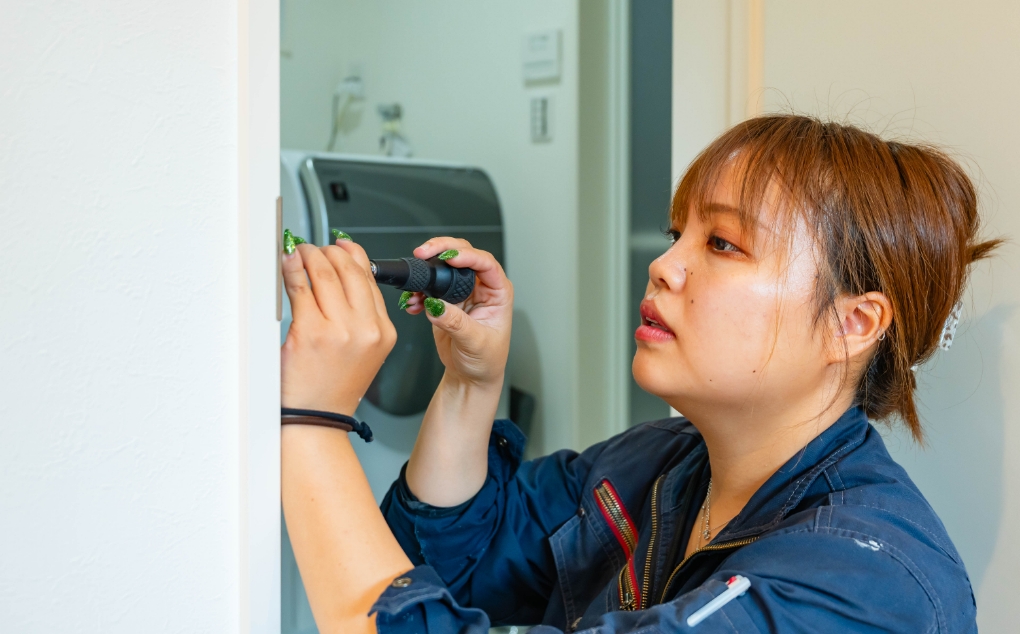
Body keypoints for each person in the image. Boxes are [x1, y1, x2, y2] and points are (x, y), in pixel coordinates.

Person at [280, 115, 1000, 633]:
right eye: (676, 234)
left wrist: (312, 424)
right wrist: (471, 382)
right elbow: (452, 565)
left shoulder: (863, 587)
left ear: (854, 324)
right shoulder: (654, 464)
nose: (664, 265)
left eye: (723, 243)